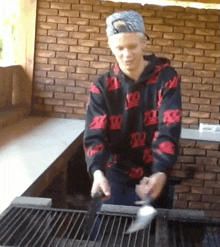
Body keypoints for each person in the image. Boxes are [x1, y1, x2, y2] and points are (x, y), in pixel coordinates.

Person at [83, 11, 182, 209]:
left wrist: (161, 170)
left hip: (156, 173)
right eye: (119, 48)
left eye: (132, 47)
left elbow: (169, 127)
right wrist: (97, 172)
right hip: (116, 175)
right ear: (110, 46)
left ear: (144, 42)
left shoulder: (166, 77)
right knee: (110, 234)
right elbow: (95, 136)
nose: (126, 55)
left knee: (153, 235)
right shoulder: (102, 87)